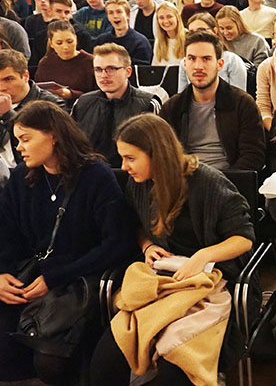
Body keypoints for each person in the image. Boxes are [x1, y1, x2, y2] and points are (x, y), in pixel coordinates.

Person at [90, 113, 257, 385]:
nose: (124, 167)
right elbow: (137, 224)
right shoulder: (140, 185)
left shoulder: (208, 183)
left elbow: (244, 239)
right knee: (105, 362)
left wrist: (203, 255)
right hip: (165, 282)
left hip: (212, 283)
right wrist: (147, 245)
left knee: (174, 369)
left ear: (157, 154)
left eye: (131, 158)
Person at [0, 101, 135, 385]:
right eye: (16, 140)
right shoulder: (20, 179)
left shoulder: (95, 176)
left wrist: (55, 277)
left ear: (54, 135)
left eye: (26, 139)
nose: (19, 148)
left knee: (50, 361)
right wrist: (2, 273)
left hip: (78, 281)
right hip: (31, 279)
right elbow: (7, 235)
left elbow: (116, 244)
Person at [160, 30, 264, 171]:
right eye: (192, 58)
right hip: (185, 181)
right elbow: (164, 155)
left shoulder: (243, 104)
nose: (198, 66)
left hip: (230, 183)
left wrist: (222, 183)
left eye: (206, 59)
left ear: (220, 64)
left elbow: (253, 156)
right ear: (185, 63)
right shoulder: (172, 108)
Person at [71, 43, 160, 167]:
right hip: (91, 176)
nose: (104, 75)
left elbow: (158, 152)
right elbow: (72, 148)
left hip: (133, 178)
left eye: (111, 69)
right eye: (98, 69)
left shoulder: (148, 104)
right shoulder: (82, 103)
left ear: (128, 71)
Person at [177, 13, 248, 92]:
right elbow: (182, 95)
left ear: (215, 31)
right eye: (191, 32)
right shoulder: (185, 62)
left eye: (201, 30)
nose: (197, 34)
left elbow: (239, 96)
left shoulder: (232, 60)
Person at [33, 20, 95, 106]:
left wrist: (70, 94)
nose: (65, 47)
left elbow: (98, 95)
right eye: (59, 43)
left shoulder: (90, 62)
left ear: (76, 39)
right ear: (51, 43)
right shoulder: (45, 63)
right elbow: (37, 92)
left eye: (70, 42)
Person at [94, 0, 153, 66]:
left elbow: (141, 71)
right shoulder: (101, 41)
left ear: (127, 15)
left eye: (119, 12)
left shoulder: (140, 42)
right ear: (108, 17)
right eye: (111, 13)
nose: (115, 16)